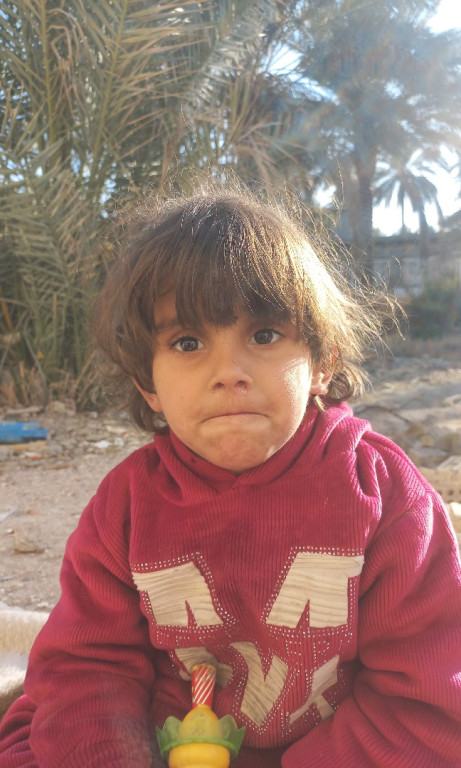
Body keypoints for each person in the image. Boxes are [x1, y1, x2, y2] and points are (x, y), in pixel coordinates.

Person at [0, 182, 460, 768]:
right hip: (162, 745)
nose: (228, 371)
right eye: (187, 342)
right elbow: (88, 669)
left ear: (321, 362)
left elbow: (425, 697)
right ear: (149, 385)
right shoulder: (128, 506)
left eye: (264, 335)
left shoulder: (384, 495)